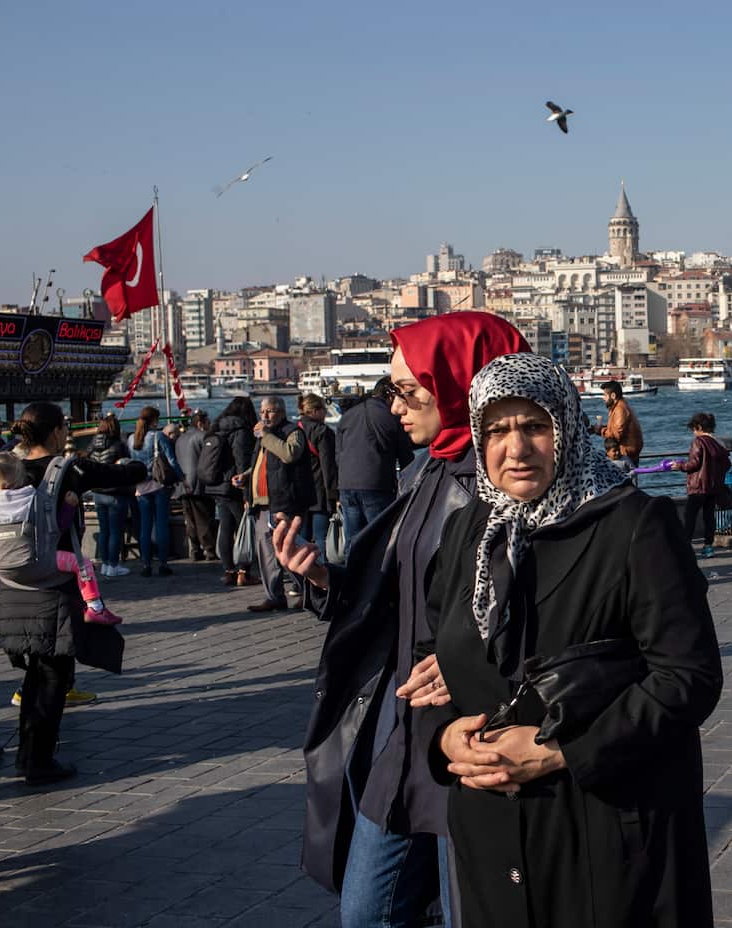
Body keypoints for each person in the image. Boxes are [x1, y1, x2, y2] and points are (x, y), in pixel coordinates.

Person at [418, 352, 722, 927]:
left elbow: (687, 677)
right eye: (498, 430)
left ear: (565, 429)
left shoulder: (633, 525)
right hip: (492, 834)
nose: (517, 448)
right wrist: (445, 737)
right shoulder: (468, 532)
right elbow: (433, 659)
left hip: (606, 832)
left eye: (535, 426)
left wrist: (559, 752)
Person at [273, 312, 530, 926]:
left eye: (409, 393)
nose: (394, 409)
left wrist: (465, 660)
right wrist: (324, 581)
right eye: (393, 392)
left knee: (465, 904)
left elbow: (551, 612)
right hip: (403, 722)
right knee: (369, 908)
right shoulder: (428, 471)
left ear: (463, 384)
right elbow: (396, 593)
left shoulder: (513, 482)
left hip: (469, 724)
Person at [0, 402, 143, 785]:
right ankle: (39, 761)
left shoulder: (7, 470)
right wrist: (130, 461)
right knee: (55, 675)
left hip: (10, 588)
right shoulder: (70, 468)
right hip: (54, 587)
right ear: (57, 431)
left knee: (34, 674)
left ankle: (27, 756)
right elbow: (130, 474)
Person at [0, 453, 123, 627]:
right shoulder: (33, 498)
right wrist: (69, 507)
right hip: (39, 562)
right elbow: (59, 527)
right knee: (82, 564)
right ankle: (95, 608)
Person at [231, 396, 314, 613]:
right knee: (266, 554)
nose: (265, 416)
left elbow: (289, 454)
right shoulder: (263, 437)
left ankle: (307, 590)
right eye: (262, 412)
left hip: (283, 502)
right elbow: (263, 464)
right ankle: (274, 596)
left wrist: (266, 436)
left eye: (270, 412)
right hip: (261, 503)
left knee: (288, 550)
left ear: (281, 412)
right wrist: (247, 476)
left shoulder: (291, 432)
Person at [336, 377, 415, 548]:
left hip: (346, 485)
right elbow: (407, 459)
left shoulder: (348, 416)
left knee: (353, 541)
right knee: (381, 539)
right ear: (390, 395)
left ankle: (353, 574)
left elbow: (338, 455)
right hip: (377, 485)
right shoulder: (391, 418)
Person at [205, 398, 258, 586]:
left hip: (216, 485)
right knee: (244, 527)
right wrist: (247, 493)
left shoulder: (217, 427)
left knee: (226, 528)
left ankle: (228, 570)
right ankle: (244, 570)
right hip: (234, 486)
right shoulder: (241, 431)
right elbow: (242, 462)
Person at [129, 406, 183, 578]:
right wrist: (182, 478)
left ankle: (146, 564)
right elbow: (172, 460)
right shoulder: (158, 436)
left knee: (145, 526)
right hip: (158, 484)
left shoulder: (131, 439)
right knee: (161, 525)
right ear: (154, 420)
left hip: (141, 486)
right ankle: (163, 563)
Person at [671, 412, 730, 559]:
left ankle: (686, 547)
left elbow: (694, 464)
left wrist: (679, 466)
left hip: (698, 487)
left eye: (693, 429)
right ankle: (708, 547)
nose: (693, 432)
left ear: (698, 427)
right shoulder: (718, 443)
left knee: (689, 517)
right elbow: (727, 464)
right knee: (709, 517)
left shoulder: (699, 442)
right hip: (713, 488)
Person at [88, 413, 134, 578]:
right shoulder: (118, 446)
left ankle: (105, 564)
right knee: (115, 531)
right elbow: (126, 467)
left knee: (104, 530)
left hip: (98, 493)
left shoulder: (91, 446)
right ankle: (114, 565)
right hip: (115, 492)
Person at [298, 394, 339, 554]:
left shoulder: (295, 429)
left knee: (302, 536)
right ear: (315, 411)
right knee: (321, 536)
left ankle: (302, 575)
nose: (325, 414)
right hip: (319, 491)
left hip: (300, 490)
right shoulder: (322, 431)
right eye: (323, 409)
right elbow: (328, 464)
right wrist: (333, 494)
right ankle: (322, 572)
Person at [174, 411, 217, 562]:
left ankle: (195, 549)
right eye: (208, 423)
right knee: (204, 518)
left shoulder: (180, 438)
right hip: (199, 483)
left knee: (190, 519)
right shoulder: (203, 436)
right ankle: (209, 550)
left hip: (183, 484)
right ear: (201, 423)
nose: (209, 426)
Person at [590, 380, 644, 466]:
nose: (603, 398)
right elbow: (614, 429)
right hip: (625, 454)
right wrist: (596, 429)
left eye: (605, 395)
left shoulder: (620, 409)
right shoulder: (618, 407)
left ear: (613, 395)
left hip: (625, 455)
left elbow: (617, 434)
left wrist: (600, 431)